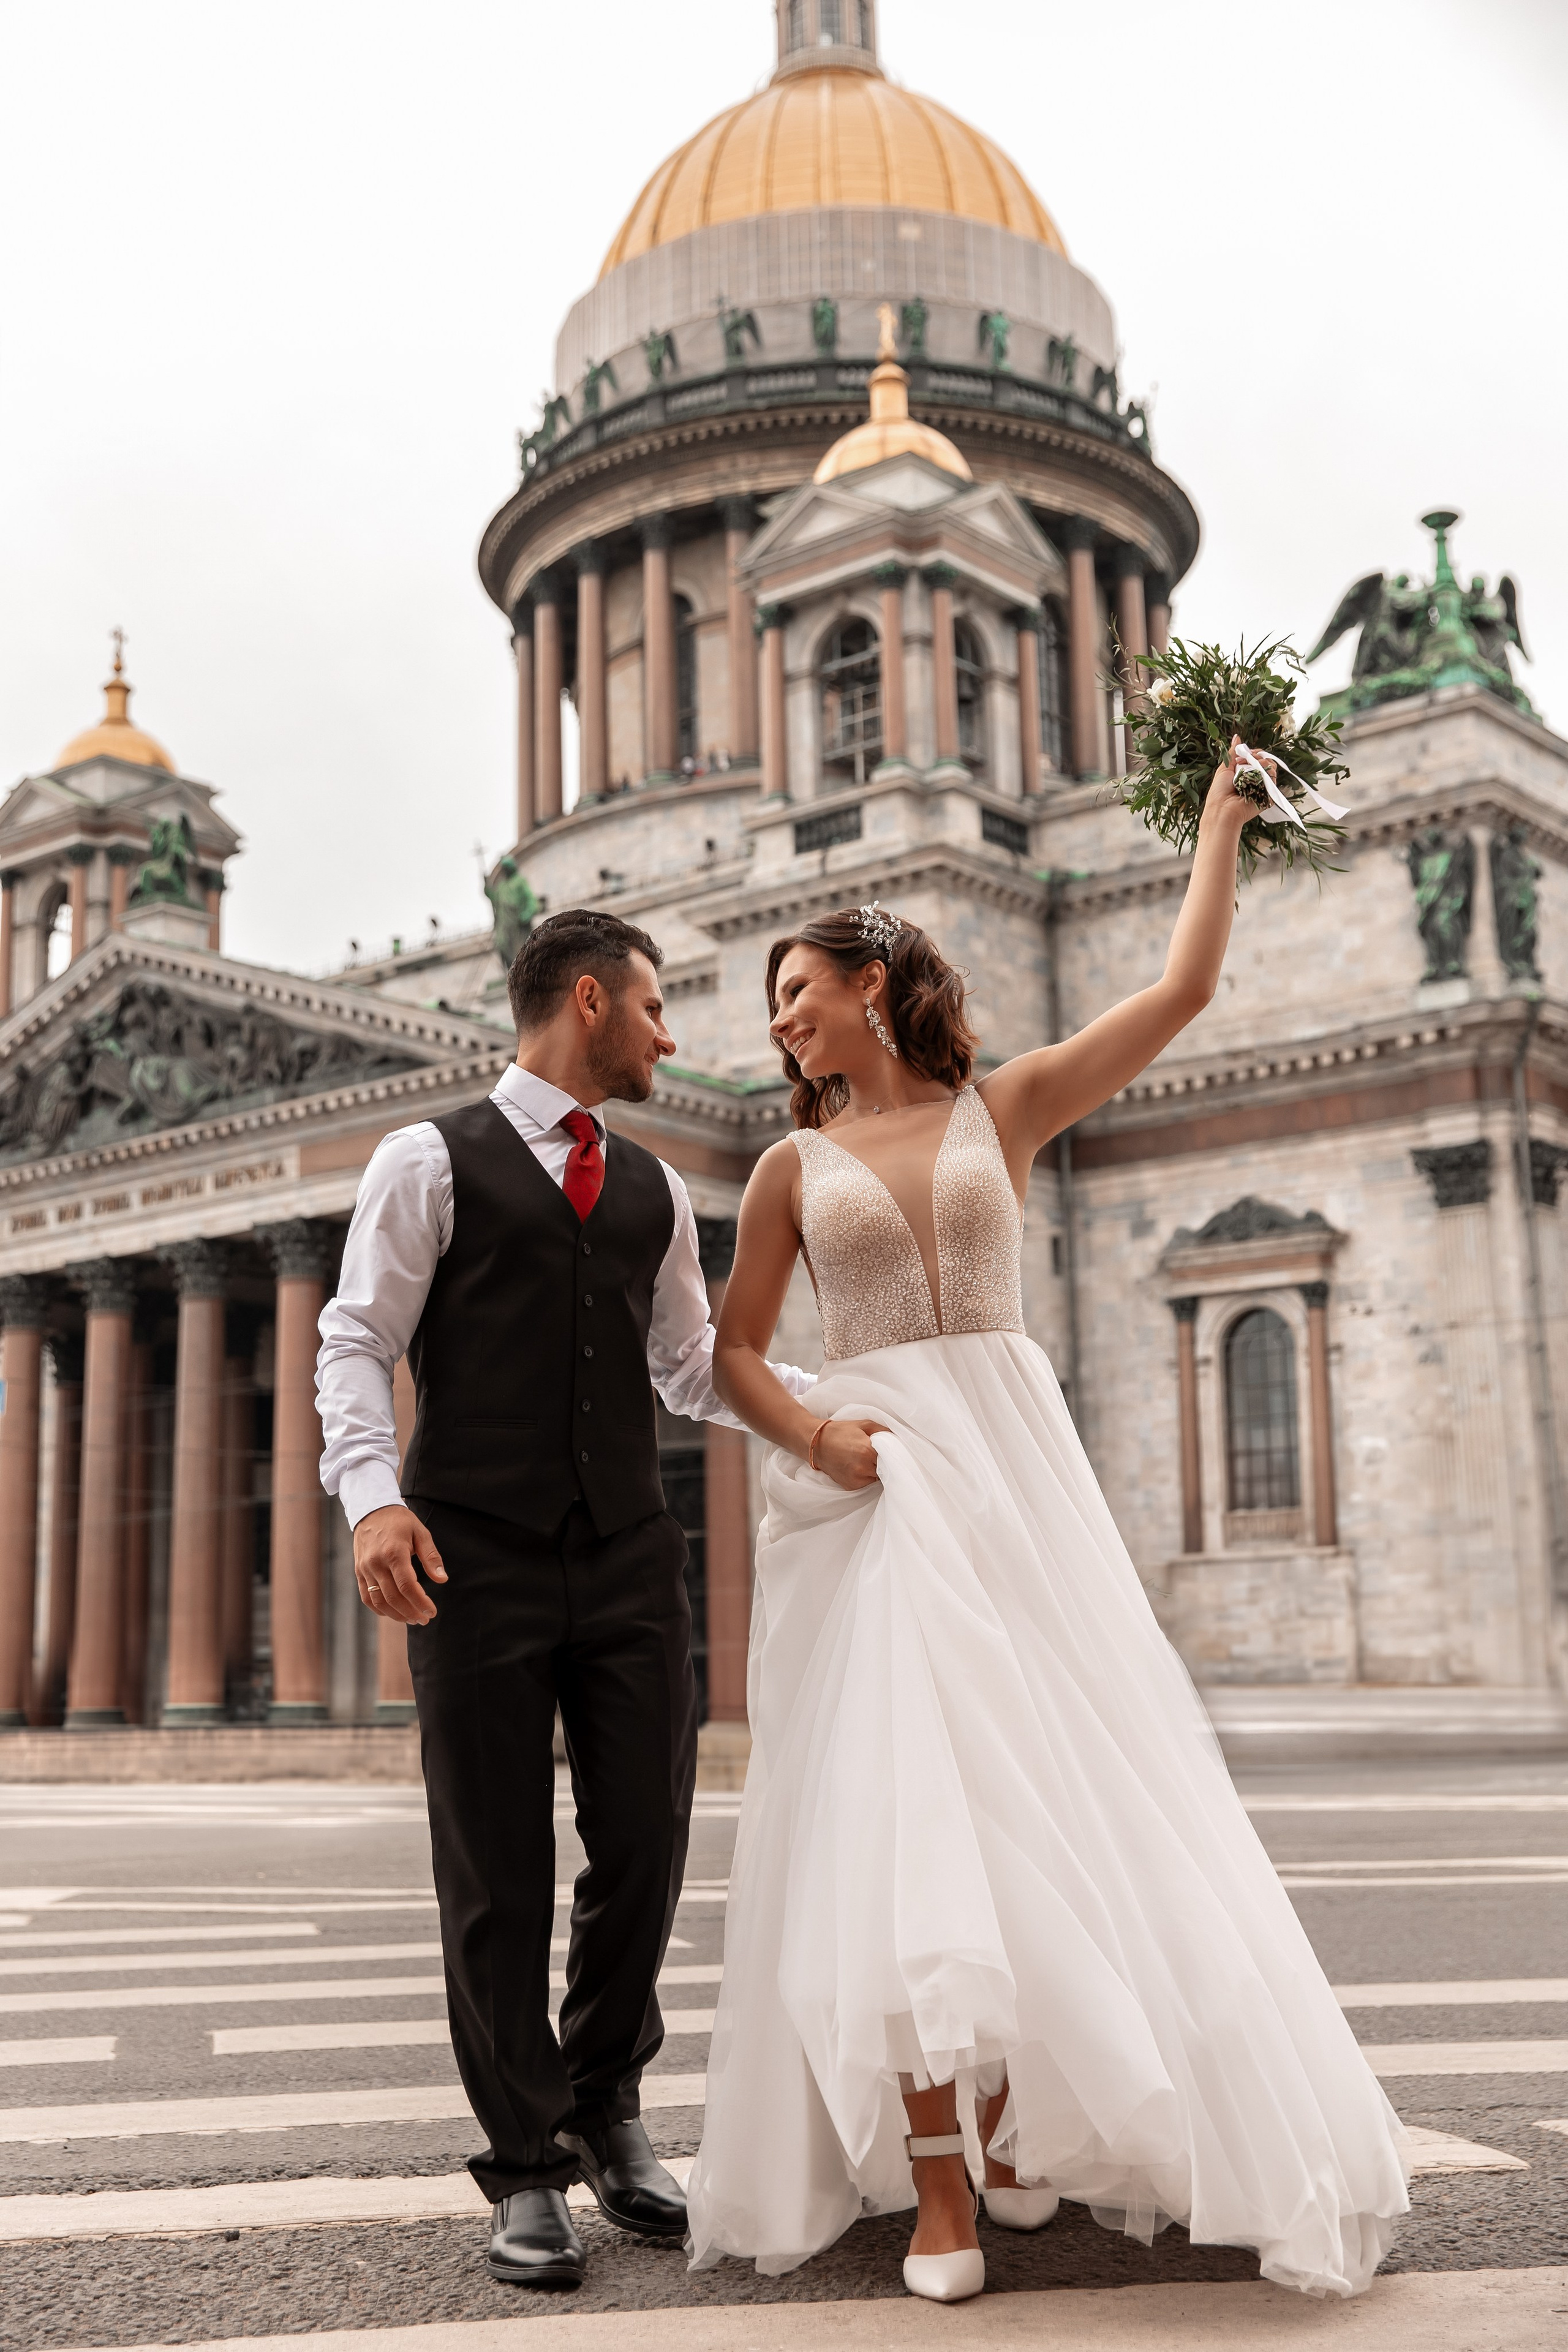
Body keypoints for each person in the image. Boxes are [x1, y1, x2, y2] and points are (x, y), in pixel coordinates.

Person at [687, 747, 1409, 2303]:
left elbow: (1179, 991)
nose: (779, 1018)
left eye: (798, 986)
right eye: (769, 1002)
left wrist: (1216, 824)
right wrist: (817, 1429)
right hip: (879, 1489)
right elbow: (731, 1351)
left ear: (876, 983)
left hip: (1014, 1476)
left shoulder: (999, 1107)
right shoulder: (782, 1169)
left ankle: (1014, 2136)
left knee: (1049, 1799)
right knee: (908, 1817)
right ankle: (940, 2190)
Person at [315, 908, 813, 2291]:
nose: (671, 1036)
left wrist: (843, 1414)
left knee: (645, 1847)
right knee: (495, 1871)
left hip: (627, 1557)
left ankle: (605, 2103)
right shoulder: (428, 1161)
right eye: (656, 1010)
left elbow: (691, 1371)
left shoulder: (651, 1186)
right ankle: (525, 2164)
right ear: (587, 1004)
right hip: (469, 1559)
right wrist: (372, 1499)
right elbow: (355, 1339)